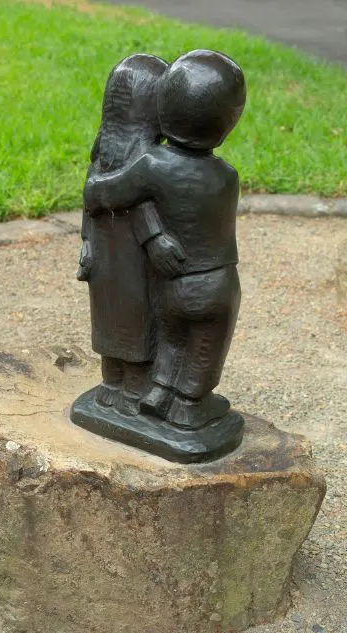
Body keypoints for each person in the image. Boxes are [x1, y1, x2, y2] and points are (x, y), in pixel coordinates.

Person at [84, 49, 246, 430]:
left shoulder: (150, 164)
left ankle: (157, 392)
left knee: (169, 338)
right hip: (215, 280)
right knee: (205, 345)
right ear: (228, 123)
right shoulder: (228, 176)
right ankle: (190, 402)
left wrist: (97, 186)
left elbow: (105, 194)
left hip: (171, 287)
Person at [76, 54, 171, 415]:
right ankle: (111, 381)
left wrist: (153, 240)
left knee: (137, 316)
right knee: (109, 317)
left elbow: (143, 209)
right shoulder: (112, 157)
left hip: (133, 257)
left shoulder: (146, 159)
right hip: (107, 253)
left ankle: (134, 387)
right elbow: (90, 203)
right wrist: (86, 242)